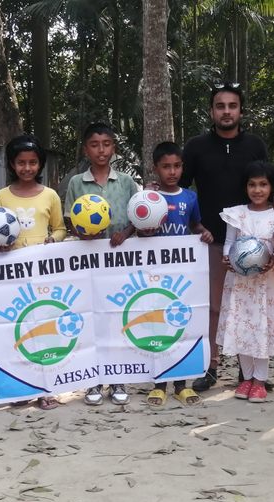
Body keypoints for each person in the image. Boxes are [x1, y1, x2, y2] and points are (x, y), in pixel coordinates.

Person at [180, 84, 274, 393]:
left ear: (241, 111)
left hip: (252, 246)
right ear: (211, 111)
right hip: (209, 241)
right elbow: (182, 190)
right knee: (213, 307)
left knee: (249, 308)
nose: (226, 111)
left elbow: (268, 184)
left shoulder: (255, 145)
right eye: (220, 106)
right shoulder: (196, 147)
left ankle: (248, 372)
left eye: (232, 106)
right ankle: (210, 367)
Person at [113, 141, 213, 408]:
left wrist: (204, 232)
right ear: (156, 168)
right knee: (156, 326)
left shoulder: (189, 197)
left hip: (181, 277)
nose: (172, 172)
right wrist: (124, 234)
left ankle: (181, 385)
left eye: (177, 166)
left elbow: (194, 224)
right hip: (154, 275)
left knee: (180, 326)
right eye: (166, 166)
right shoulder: (149, 197)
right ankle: (158, 385)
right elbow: (137, 223)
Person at [0, 135, 66, 410]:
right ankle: (22, 387)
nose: (27, 168)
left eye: (32, 162)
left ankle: (46, 388)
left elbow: (61, 228)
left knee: (44, 328)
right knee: (18, 329)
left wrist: (52, 240)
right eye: (21, 163)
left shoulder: (50, 195)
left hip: (42, 273)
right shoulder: (2, 196)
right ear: (12, 165)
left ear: (40, 164)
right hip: (12, 274)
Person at [63, 122, 139, 406]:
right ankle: (93, 380)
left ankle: (117, 377)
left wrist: (126, 233)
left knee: (117, 318)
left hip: (119, 263)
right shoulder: (76, 183)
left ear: (113, 147)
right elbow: (70, 220)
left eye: (106, 144)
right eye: (94, 145)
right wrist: (83, 233)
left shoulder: (127, 182)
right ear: (86, 149)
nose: (101, 150)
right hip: (89, 265)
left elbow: (137, 216)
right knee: (92, 319)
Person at [217, 161, 274, 403]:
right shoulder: (236, 213)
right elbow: (229, 241)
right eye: (252, 184)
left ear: (272, 187)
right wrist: (227, 258)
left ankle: (260, 381)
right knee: (242, 328)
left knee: (262, 328)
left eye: (263, 184)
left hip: (265, 284)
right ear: (245, 187)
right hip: (239, 283)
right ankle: (246, 378)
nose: (257, 190)